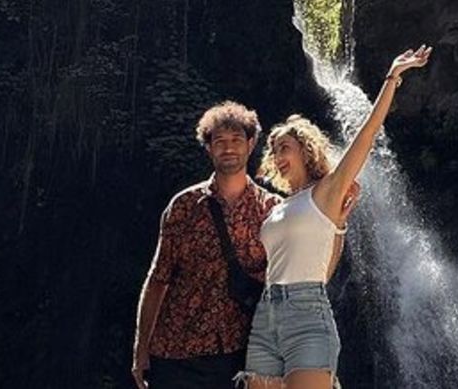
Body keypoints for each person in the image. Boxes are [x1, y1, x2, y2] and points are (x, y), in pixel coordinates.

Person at [236, 44, 432, 389]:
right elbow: (319, 266)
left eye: (286, 148)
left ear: (306, 150)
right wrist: (338, 227)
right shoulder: (277, 207)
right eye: (274, 150)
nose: (278, 156)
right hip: (267, 314)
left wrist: (392, 76)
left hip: (307, 312)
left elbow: (367, 135)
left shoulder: (326, 191)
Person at [132, 101, 360, 389]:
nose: (228, 148)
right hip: (176, 352)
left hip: (237, 355)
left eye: (237, 140)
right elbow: (158, 279)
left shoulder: (273, 211)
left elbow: (318, 271)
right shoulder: (184, 206)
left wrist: (338, 226)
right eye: (219, 141)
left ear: (251, 144)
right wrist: (140, 350)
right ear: (208, 147)